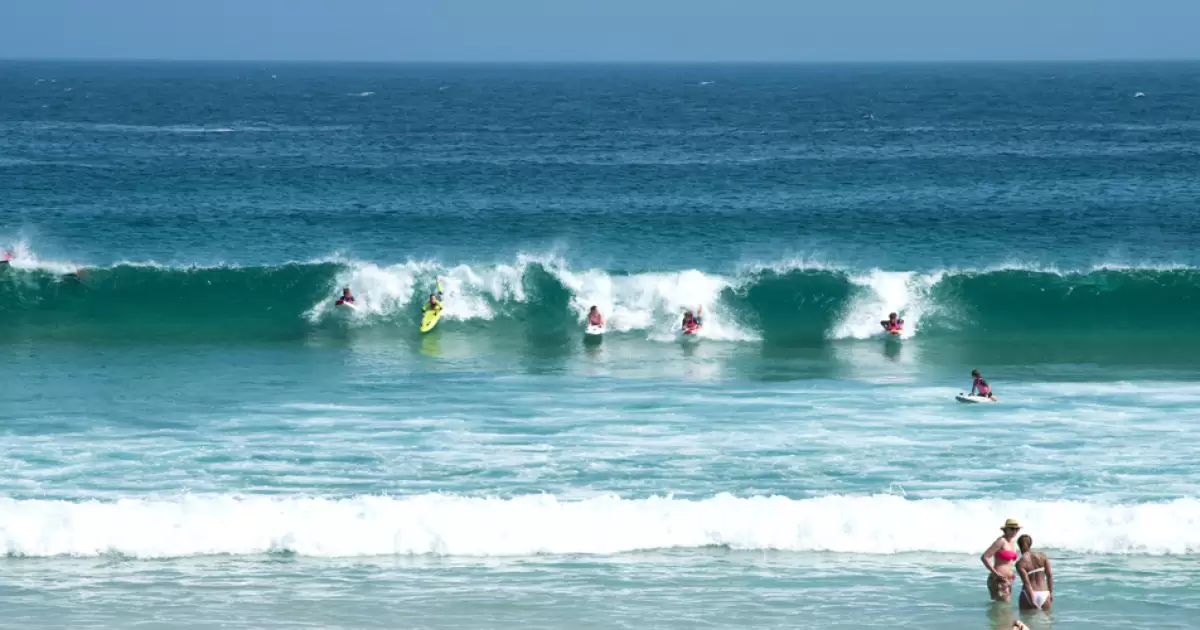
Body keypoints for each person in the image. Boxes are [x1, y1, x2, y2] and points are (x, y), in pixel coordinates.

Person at [981, 518, 1022, 602]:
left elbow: (1009, 563)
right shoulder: (1001, 541)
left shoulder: (1012, 542)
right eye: (1012, 529)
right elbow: (985, 557)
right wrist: (996, 573)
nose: (1015, 531)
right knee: (1004, 606)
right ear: (1005, 530)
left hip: (1007, 580)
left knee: (1002, 607)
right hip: (998, 580)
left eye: (1017, 529)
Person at [1016, 534, 1053, 612]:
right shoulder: (1042, 556)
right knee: (1047, 623)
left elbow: (1026, 583)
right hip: (1044, 593)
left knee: (1026, 623)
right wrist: (1051, 592)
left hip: (1028, 595)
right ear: (1030, 544)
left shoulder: (1020, 563)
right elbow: (1049, 575)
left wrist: (1032, 598)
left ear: (1018, 545)